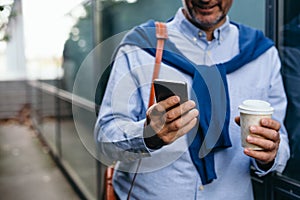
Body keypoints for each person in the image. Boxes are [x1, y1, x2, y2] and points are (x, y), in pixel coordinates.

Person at [94, 0, 290, 199]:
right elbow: (104, 139)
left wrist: (270, 154)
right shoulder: (140, 47)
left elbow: (281, 143)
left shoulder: (262, 55)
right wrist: (147, 135)